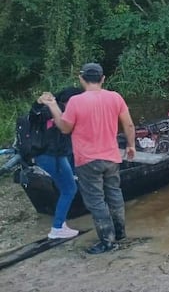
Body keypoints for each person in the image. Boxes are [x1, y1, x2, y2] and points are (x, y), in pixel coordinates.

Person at [39, 62, 136, 255]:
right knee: (114, 194)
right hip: (111, 157)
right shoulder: (115, 97)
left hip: (88, 160)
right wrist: (131, 146)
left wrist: (52, 106)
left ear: (81, 79)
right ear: (102, 79)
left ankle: (107, 241)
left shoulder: (76, 101)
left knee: (96, 201)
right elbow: (129, 124)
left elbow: (65, 128)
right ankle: (120, 232)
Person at [31, 86, 83, 239]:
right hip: (52, 156)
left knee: (65, 188)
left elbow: (33, 115)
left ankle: (61, 224)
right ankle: (57, 228)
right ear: (70, 101)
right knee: (69, 189)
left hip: (49, 155)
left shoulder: (50, 110)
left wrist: (38, 104)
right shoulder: (59, 112)